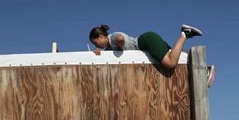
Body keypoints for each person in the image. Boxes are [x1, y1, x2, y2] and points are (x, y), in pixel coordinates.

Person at [88, 24, 216, 86]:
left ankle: (185, 34)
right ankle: (205, 70)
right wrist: (100, 52)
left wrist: (120, 44)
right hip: (148, 41)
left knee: (170, 63)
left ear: (100, 37)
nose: (96, 45)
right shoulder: (109, 47)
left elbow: (120, 38)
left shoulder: (113, 38)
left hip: (147, 41)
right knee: (177, 58)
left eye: (96, 43)